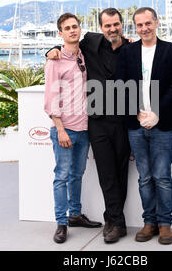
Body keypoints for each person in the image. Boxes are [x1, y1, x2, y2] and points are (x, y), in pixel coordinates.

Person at [46, 8, 131, 243]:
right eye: (107, 25)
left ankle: (114, 220)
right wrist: (50, 50)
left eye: (116, 24)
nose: (112, 29)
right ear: (100, 27)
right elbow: (65, 45)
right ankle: (109, 222)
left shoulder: (130, 48)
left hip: (120, 122)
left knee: (119, 173)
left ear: (122, 25)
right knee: (101, 174)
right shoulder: (90, 43)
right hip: (96, 124)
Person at [115, 7, 172, 245]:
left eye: (148, 23)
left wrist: (157, 113)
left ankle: (165, 225)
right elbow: (119, 84)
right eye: (139, 25)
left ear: (156, 23)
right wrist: (137, 113)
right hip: (135, 126)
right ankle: (149, 222)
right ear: (135, 27)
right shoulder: (127, 52)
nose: (144, 28)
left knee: (162, 176)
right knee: (144, 177)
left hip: (163, 125)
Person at [44, 13, 102, 244]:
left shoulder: (84, 56)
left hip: (84, 128)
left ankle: (75, 215)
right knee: (62, 176)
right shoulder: (54, 61)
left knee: (77, 175)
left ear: (79, 29)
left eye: (74, 26)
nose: (72, 30)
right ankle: (61, 223)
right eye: (66, 28)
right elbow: (50, 99)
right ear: (60, 34)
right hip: (64, 130)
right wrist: (60, 129)